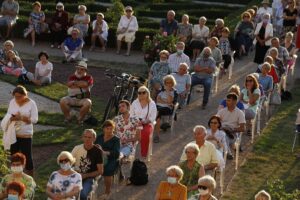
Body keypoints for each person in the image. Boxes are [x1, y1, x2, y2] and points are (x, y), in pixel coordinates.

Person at [6, 86, 38, 176]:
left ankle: (31, 180)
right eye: (15, 96)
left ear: (25, 95)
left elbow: (35, 120)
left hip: (25, 133)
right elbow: (8, 114)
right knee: (14, 155)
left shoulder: (31, 103)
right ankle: (15, 176)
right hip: (13, 133)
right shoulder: (12, 102)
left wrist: (22, 118)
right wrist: (11, 118)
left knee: (27, 156)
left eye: (19, 96)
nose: (17, 99)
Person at [71, 129, 104, 200]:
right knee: (67, 191)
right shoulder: (77, 148)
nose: (87, 139)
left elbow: (100, 171)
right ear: (82, 138)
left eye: (89, 137)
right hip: (76, 175)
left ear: (94, 139)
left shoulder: (98, 151)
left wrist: (85, 175)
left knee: (83, 194)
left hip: (90, 177)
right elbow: (69, 163)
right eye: (85, 137)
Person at [130, 86, 157, 159]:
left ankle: (144, 153)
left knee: (145, 133)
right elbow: (131, 114)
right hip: (135, 123)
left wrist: (145, 121)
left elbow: (153, 117)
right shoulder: (135, 102)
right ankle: (129, 152)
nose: (141, 94)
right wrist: (136, 122)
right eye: (139, 93)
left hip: (147, 123)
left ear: (147, 93)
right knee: (129, 131)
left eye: (143, 92)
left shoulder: (152, 103)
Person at [96, 120, 120, 200]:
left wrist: (105, 152)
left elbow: (116, 153)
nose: (109, 130)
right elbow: (95, 146)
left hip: (111, 159)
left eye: (111, 129)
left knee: (107, 170)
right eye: (107, 128)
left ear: (113, 129)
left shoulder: (116, 139)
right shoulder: (99, 137)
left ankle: (107, 191)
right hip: (99, 158)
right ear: (103, 129)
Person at [154, 75, 177, 143]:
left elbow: (170, 102)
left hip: (167, 109)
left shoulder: (174, 92)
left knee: (158, 113)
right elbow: (157, 100)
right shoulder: (161, 90)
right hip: (159, 106)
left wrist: (167, 91)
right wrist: (166, 102)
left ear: (172, 83)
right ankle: (157, 132)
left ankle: (156, 135)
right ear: (164, 83)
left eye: (170, 82)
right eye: (166, 83)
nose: (168, 84)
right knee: (157, 114)